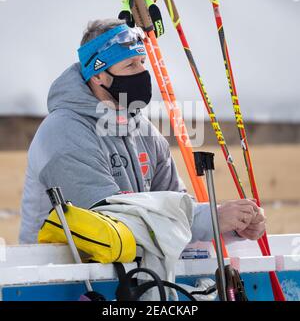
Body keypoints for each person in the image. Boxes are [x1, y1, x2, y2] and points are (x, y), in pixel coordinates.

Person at [19, 19, 266, 244]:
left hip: (130, 272)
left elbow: (175, 205)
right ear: (98, 76)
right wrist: (211, 218)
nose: (141, 73)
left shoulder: (142, 128)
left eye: (142, 62)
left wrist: (230, 226)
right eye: (129, 65)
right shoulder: (64, 133)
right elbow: (110, 220)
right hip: (59, 277)